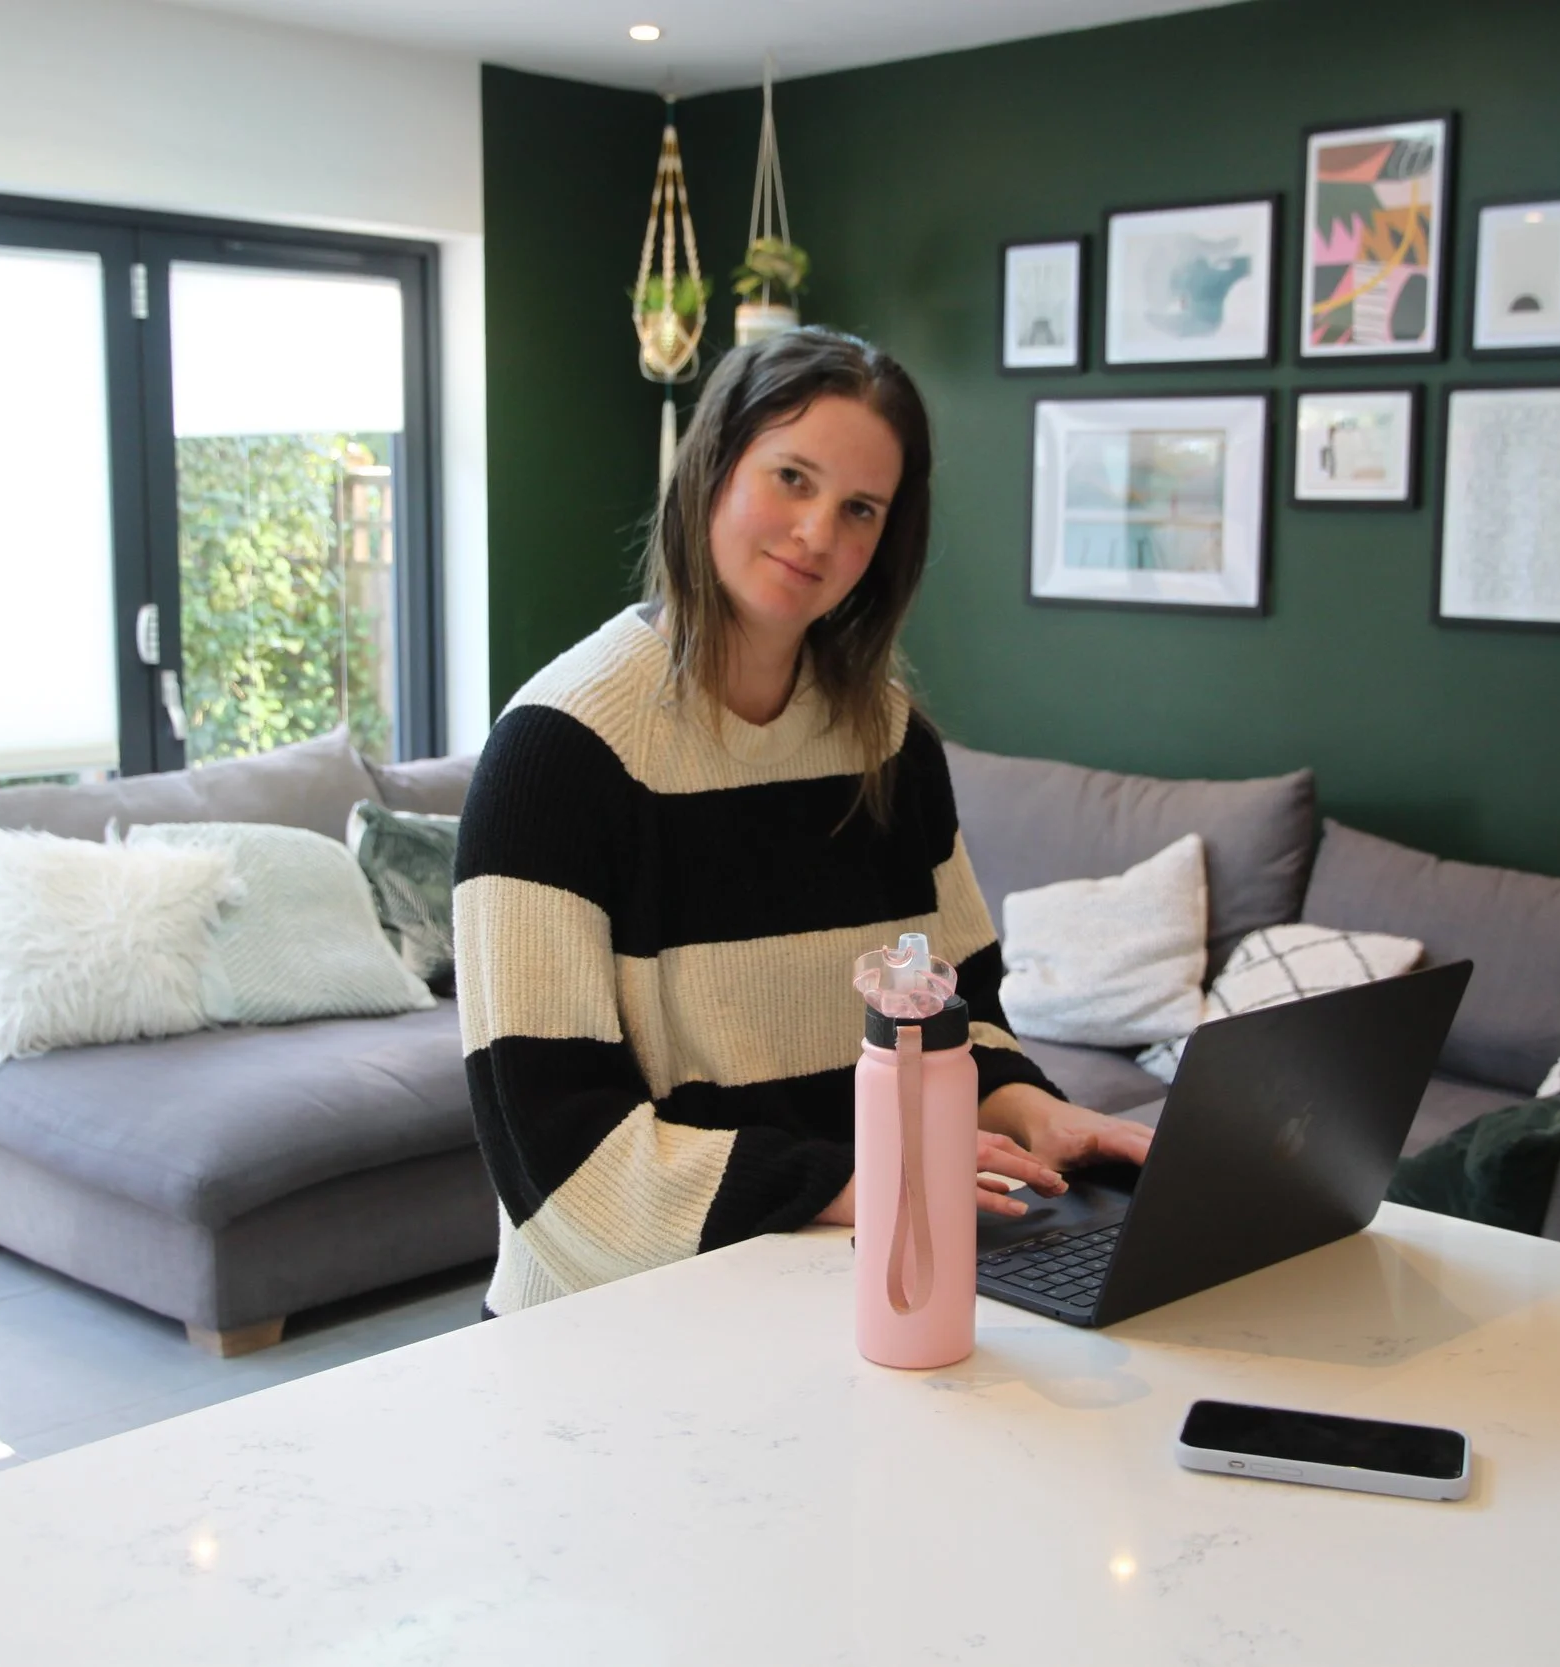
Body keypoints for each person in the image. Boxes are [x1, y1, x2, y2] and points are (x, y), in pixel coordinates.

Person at [453, 327, 1151, 1315]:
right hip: (612, 1329)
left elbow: (957, 1020)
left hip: (844, 1287)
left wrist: (1033, 1110)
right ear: (713, 470)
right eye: (791, 477)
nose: (819, 532)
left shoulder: (892, 748)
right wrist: (851, 1182)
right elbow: (563, 1173)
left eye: (859, 507)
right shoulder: (557, 757)